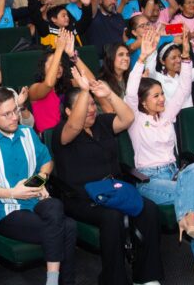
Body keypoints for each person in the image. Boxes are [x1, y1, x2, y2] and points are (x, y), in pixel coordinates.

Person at [126, 29, 194, 283]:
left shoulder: (167, 115)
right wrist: (141, 59)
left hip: (174, 172)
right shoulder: (135, 119)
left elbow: (183, 85)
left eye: (162, 94)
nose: (162, 99)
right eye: (156, 96)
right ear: (143, 102)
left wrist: (185, 54)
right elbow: (129, 92)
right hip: (149, 180)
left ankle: (187, 218)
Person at [51, 68, 163, 285]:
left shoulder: (102, 124)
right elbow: (75, 125)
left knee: (149, 209)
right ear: (68, 112)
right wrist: (84, 91)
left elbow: (128, 117)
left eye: (93, 104)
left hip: (114, 190)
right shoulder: (62, 131)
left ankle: (147, 276)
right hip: (81, 198)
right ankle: (114, 280)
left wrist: (109, 94)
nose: (91, 109)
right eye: (85, 105)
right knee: (112, 216)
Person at [0, 87, 77, 285]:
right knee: (67, 227)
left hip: (36, 201)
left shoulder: (27, 132)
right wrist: (11, 192)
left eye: (15, 110)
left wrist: (41, 179)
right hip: (7, 211)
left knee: (55, 206)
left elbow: (47, 161)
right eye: (7, 114)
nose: (14, 117)